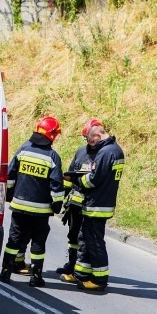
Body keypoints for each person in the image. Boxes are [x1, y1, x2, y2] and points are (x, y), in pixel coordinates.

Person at [0, 116, 64, 287]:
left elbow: (10, 175)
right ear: (52, 134)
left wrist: (10, 196)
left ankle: (5, 273)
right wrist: (57, 205)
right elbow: (56, 185)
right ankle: (36, 277)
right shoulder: (53, 157)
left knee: (14, 239)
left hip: (19, 206)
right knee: (38, 242)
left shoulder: (23, 149)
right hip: (40, 211)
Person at [60, 122, 124, 291]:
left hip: (97, 205)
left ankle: (99, 280)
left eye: (90, 139)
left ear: (97, 135)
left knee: (95, 243)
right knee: (86, 240)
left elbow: (93, 180)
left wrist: (75, 179)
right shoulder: (115, 150)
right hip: (101, 203)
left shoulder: (106, 152)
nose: (90, 143)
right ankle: (82, 275)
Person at [56, 118, 104, 276]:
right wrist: (62, 196)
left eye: (89, 138)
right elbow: (70, 175)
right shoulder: (81, 152)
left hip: (90, 205)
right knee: (73, 236)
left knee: (85, 239)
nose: (89, 141)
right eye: (86, 138)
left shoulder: (103, 155)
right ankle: (71, 264)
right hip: (75, 205)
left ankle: (82, 269)